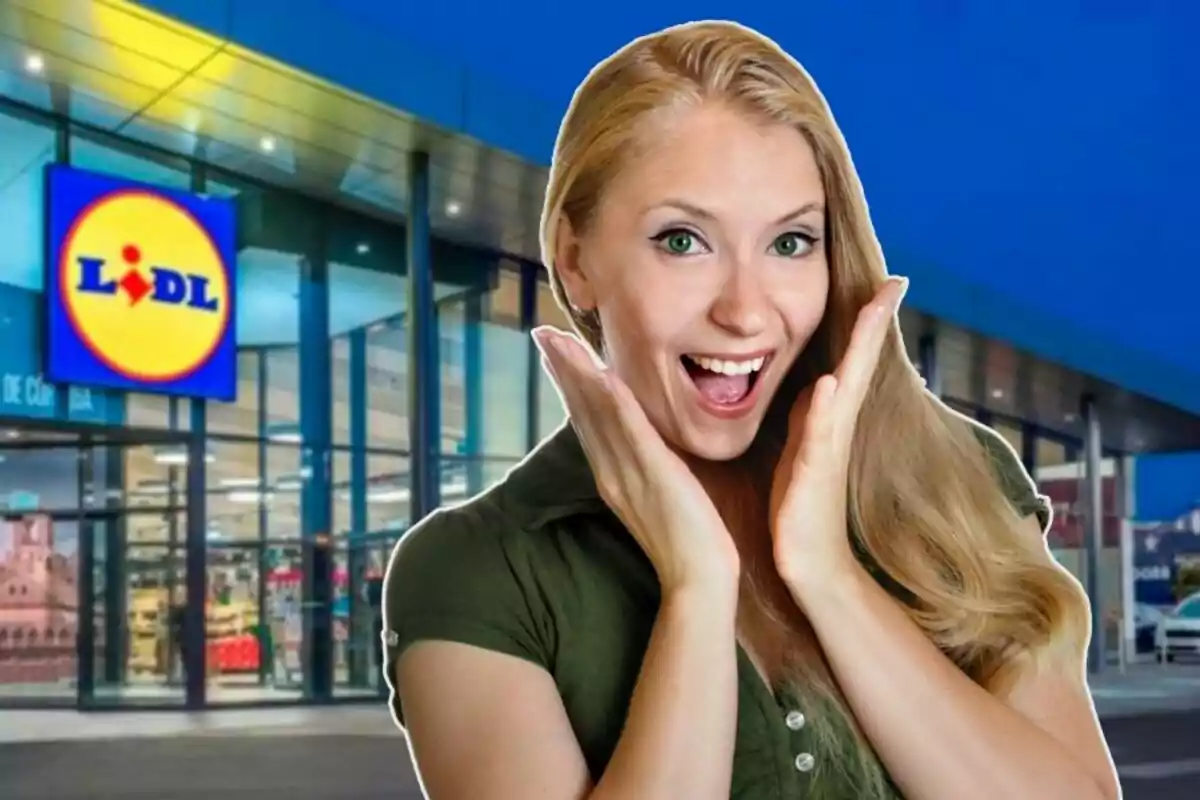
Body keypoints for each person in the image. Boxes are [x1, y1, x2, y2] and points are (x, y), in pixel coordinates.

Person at [383, 20, 1120, 800]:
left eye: (791, 243)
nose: (745, 312)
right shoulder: (478, 570)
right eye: (682, 241)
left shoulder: (955, 478)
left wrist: (828, 574)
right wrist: (697, 589)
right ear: (576, 261)